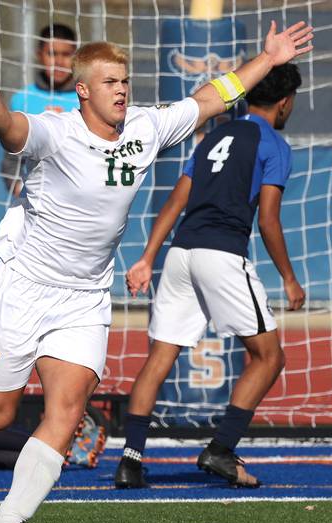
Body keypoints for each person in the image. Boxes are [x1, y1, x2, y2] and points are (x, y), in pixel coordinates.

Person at [0, 16, 313, 523]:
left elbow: (211, 97)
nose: (122, 89)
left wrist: (268, 59)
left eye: (126, 80)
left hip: (85, 297)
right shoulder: (56, 130)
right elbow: (4, 127)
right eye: (110, 82)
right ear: (83, 89)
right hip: (22, 286)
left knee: (65, 413)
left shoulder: (144, 126)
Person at [114, 64, 307, 491]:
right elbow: (269, 220)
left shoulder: (214, 136)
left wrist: (148, 258)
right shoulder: (273, 143)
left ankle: (129, 460)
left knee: (159, 358)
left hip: (180, 253)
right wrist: (289, 279)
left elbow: (175, 201)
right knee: (269, 356)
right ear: (286, 100)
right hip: (221, 253)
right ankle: (221, 447)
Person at [1, 23, 78, 197]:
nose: (59, 62)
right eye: (52, 54)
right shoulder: (22, 99)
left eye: (66, 54)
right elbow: (12, 157)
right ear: (39, 55)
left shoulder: (87, 97)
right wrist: (19, 190)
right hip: (36, 198)